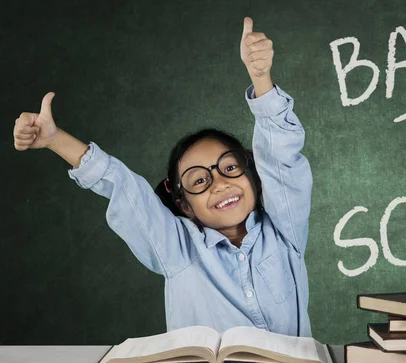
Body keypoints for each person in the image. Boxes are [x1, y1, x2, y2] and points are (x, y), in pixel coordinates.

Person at [12, 17, 313, 337]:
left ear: (253, 175)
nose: (221, 183)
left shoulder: (285, 231)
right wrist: (54, 139)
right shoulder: (178, 248)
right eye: (199, 180)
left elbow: (281, 159)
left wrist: (261, 78)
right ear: (184, 205)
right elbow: (126, 191)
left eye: (229, 167)